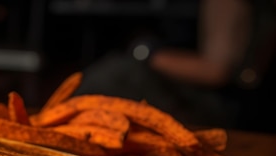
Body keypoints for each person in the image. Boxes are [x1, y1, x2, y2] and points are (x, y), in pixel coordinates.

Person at [74, 0, 276, 131]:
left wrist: (145, 53)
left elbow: (216, 71)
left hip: (218, 108)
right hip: (224, 103)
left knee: (112, 76)